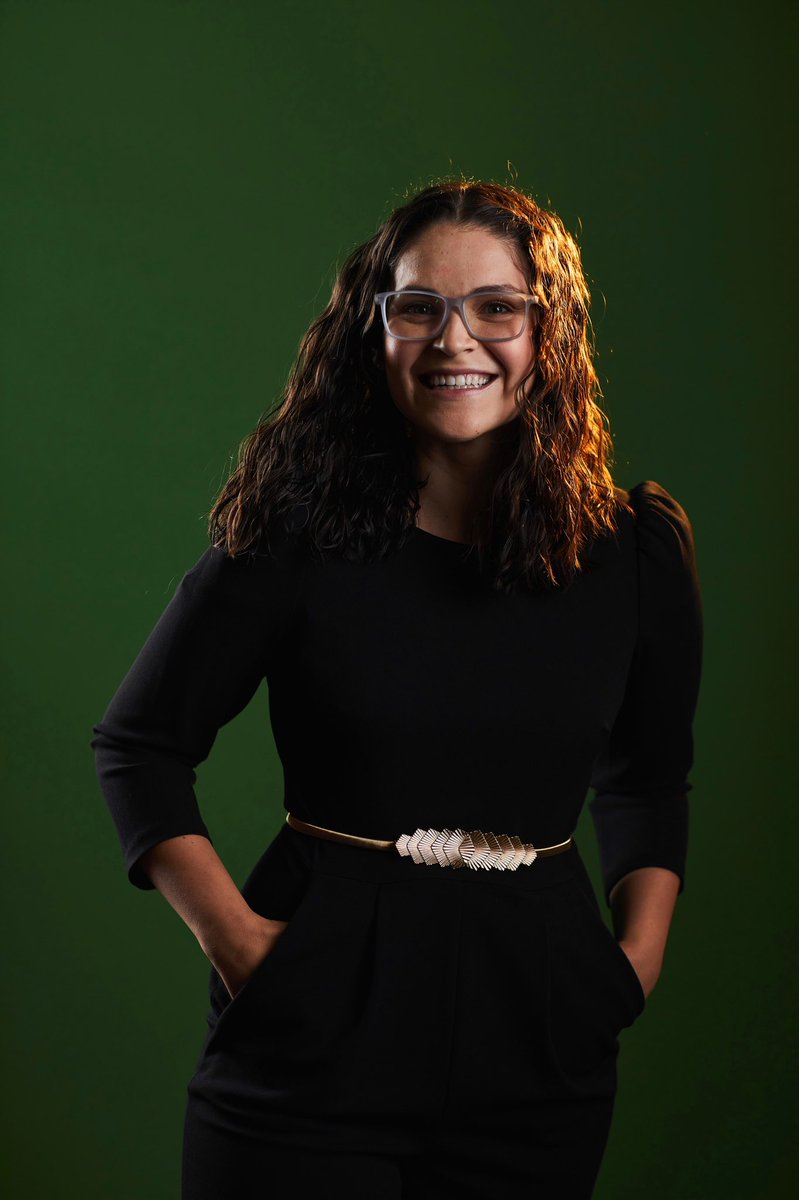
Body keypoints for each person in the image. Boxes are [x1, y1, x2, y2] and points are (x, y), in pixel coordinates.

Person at [90, 178, 703, 1199]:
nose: (454, 340)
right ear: (373, 329)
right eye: (419, 307)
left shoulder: (634, 552)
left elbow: (647, 778)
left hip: (540, 1021)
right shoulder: (292, 539)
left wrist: (632, 961)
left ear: (549, 333)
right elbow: (139, 746)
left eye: (496, 308)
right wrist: (243, 949)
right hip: (317, 1017)